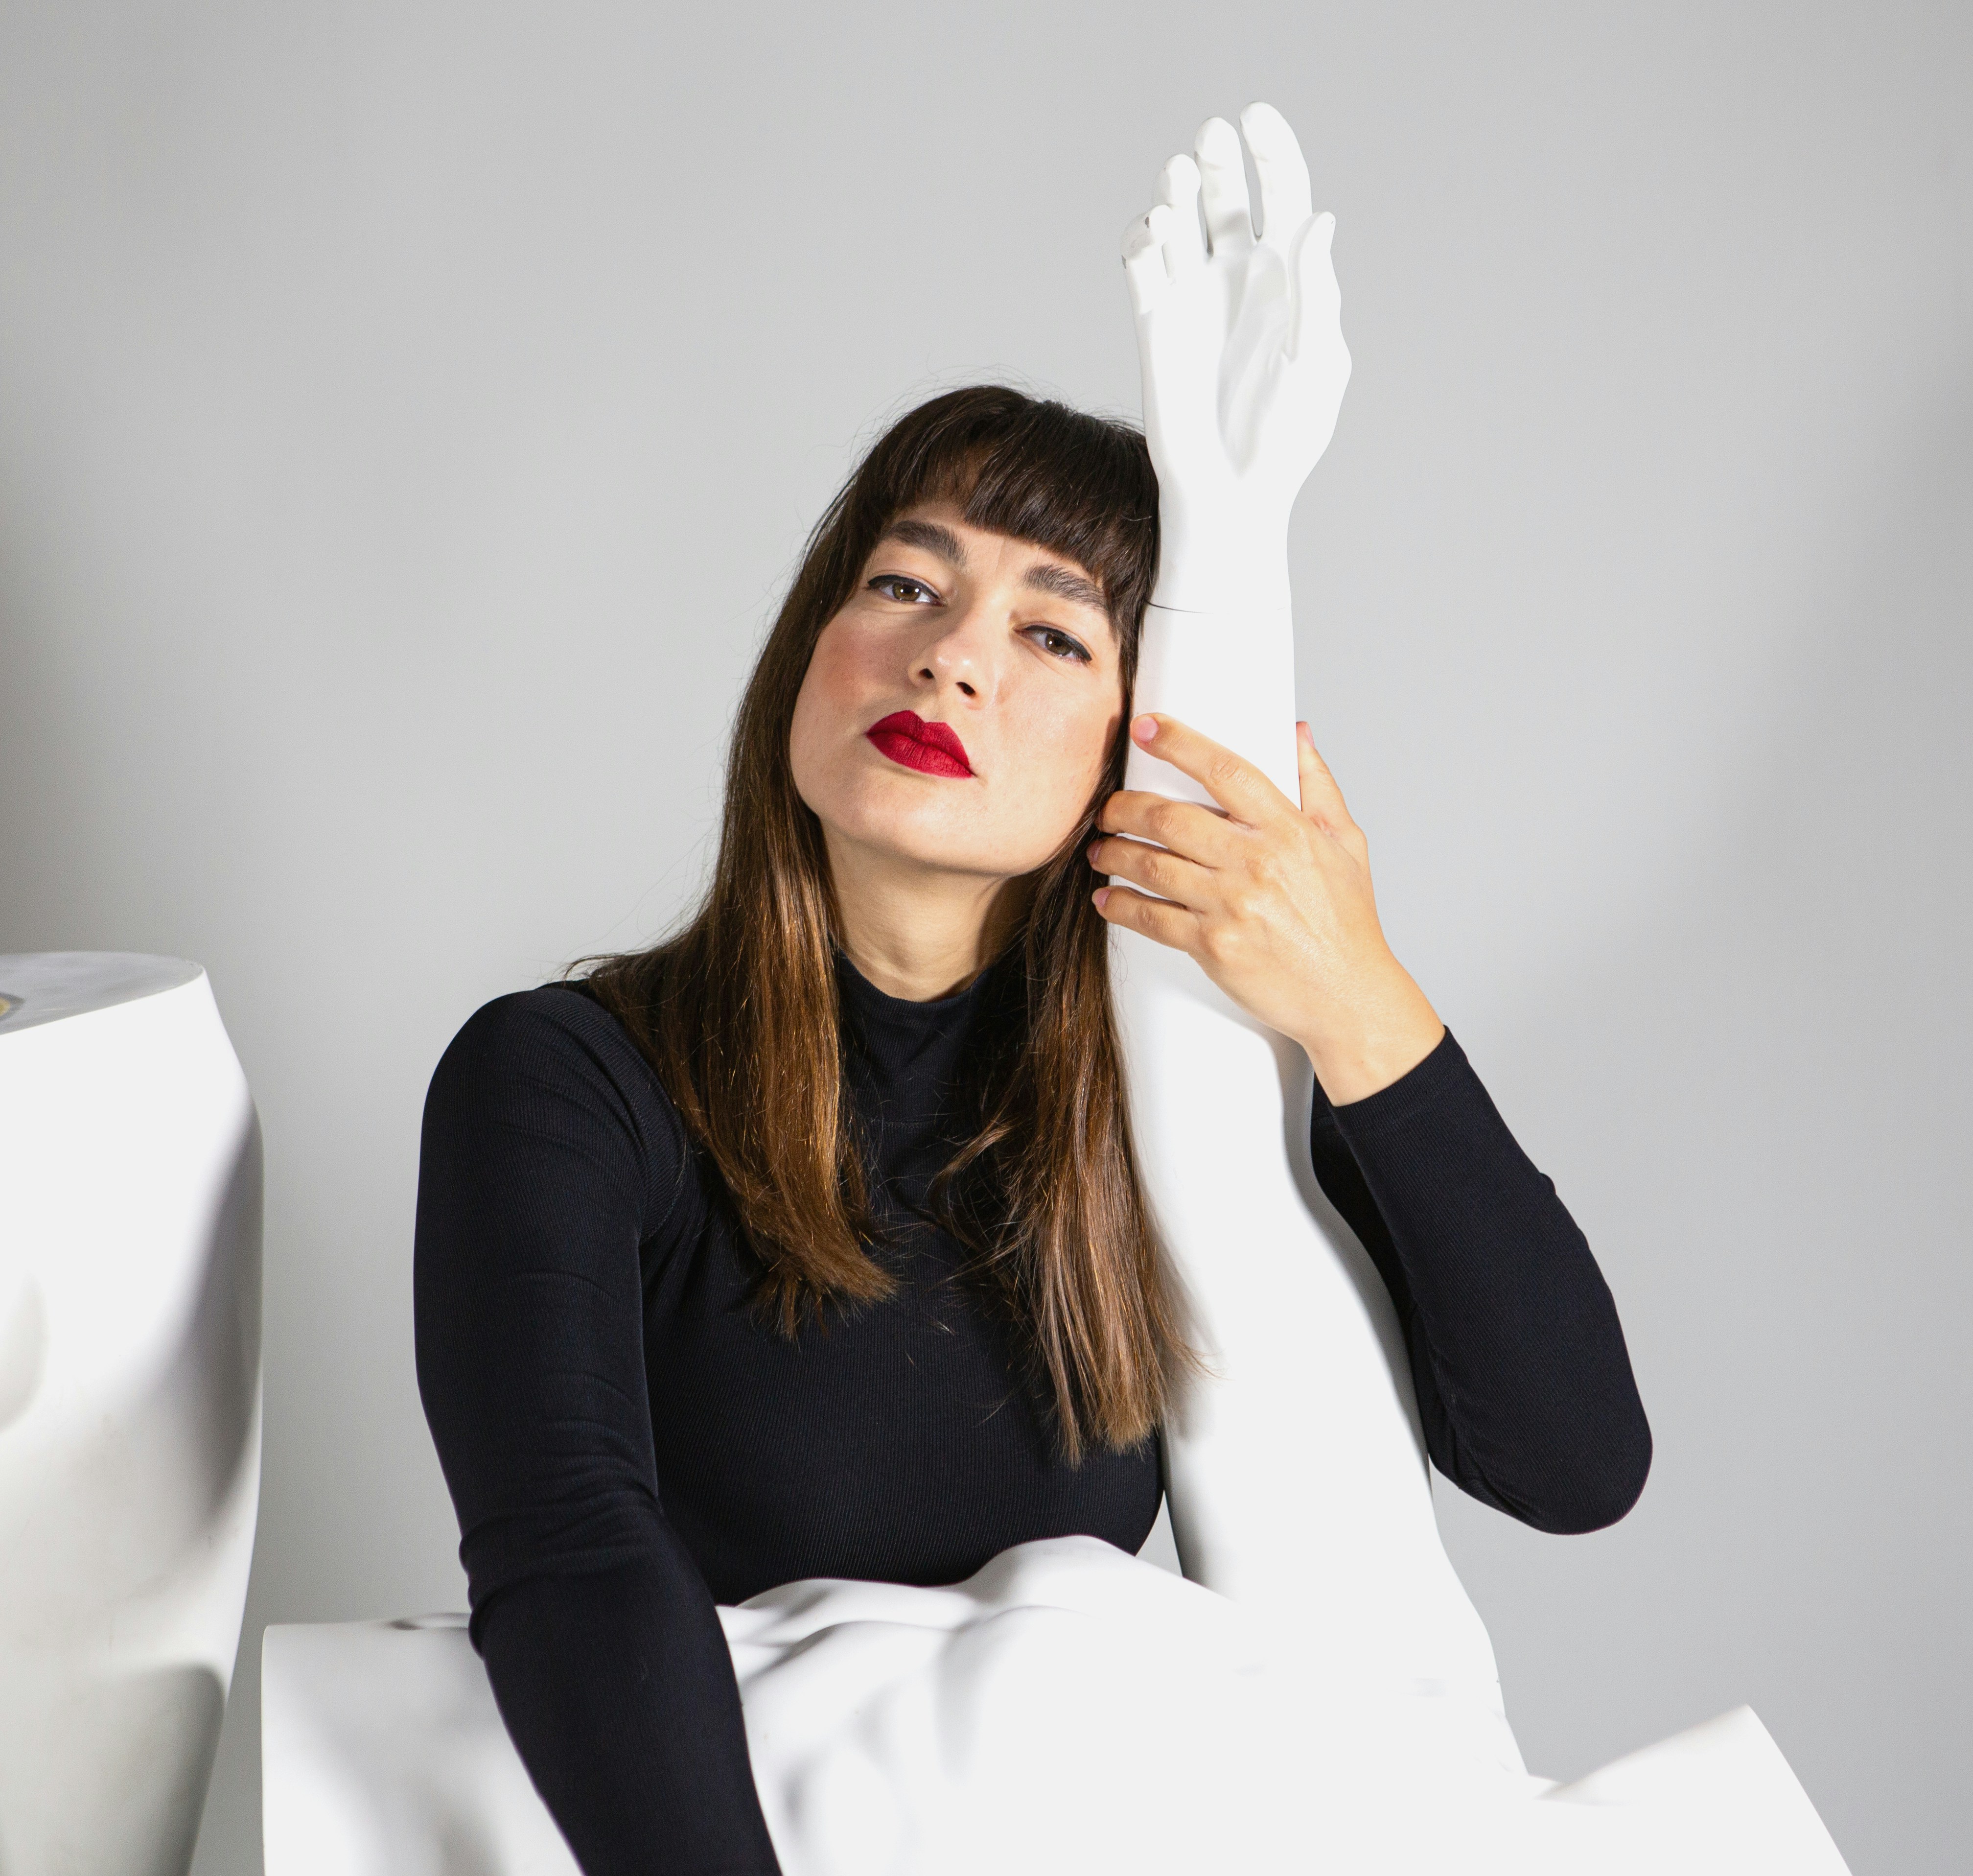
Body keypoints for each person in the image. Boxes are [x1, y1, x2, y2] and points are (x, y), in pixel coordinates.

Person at [414, 131, 1650, 1876]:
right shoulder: (567, 1083)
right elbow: (567, 1550)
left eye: (1056, 634)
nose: (954, 654)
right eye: (904, 584)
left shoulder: (1189, 1117)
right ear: (810, 647)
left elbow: (1574, 1462)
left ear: (1130, 744)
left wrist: (1360, 1003)